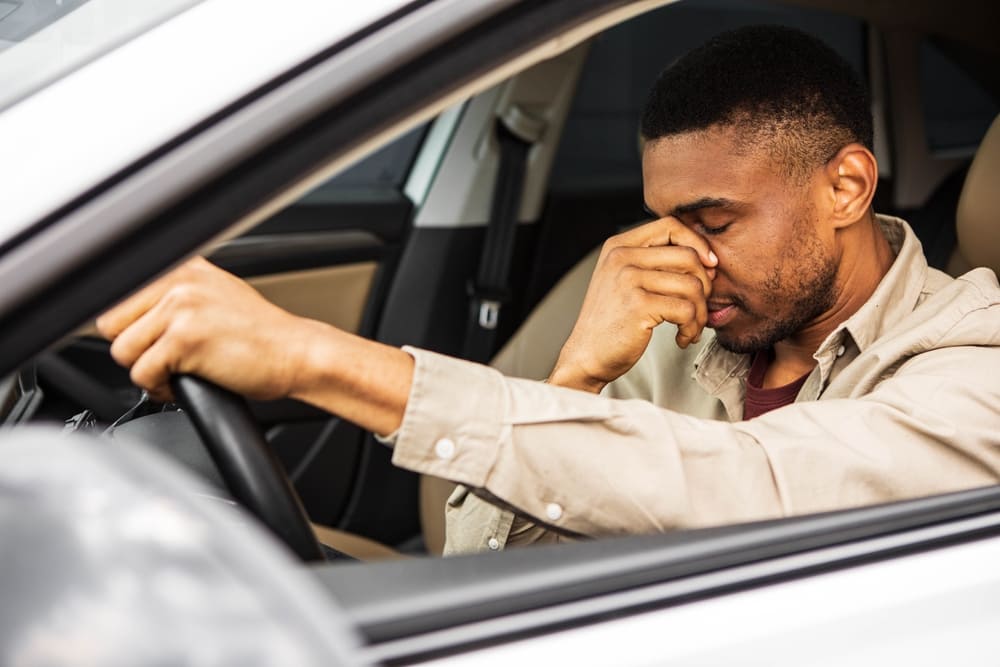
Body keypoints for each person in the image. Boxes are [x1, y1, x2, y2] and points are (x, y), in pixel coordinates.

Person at [97, 26, 1000, 554]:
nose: (684, 254)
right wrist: (575, 374)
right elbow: (478, 562)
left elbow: (751, 486)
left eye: (715, 221)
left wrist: (313, 358)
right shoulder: (672, 319)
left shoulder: (972, 358)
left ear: (846, 187)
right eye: (665, 219)